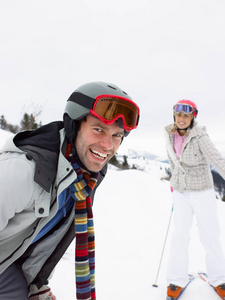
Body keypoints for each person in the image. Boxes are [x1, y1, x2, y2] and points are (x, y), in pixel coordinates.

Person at [0, 81, 140, 300]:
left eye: (117, 136)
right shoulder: (24, 170)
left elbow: (49, 237)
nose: (108, 145)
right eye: (98, 129)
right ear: (74, 126)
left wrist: (38, 284)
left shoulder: (85, 180)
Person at [164, 99, 225, 299]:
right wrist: (174, 182)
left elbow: (217, 158)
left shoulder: (200, 136)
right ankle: (176, 280)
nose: (181, 119)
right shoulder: (169, 133)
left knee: (210, 235)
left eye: (186, 115)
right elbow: (174, 161)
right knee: (179, 236)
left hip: (202, 191)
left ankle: (218, 279)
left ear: (193, 117)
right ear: (175, 115)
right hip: (181, 192)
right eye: (178, 115)